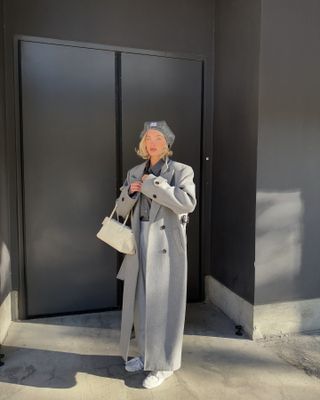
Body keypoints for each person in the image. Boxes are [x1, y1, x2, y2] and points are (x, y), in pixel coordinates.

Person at [115, 120, 196, 389]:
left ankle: (165, 365)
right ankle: (146, 355)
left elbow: (187, 203)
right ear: (142, 144)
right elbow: (120, 210)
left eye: (159, 138)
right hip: (139, 241)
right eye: (148, 138)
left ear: (167, 144)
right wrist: (130, 192)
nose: (153, 143)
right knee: (142, 303)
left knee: (166, 306)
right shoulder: (134, 172)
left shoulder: (181, 171)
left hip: (166, 245)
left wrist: (154, 185)